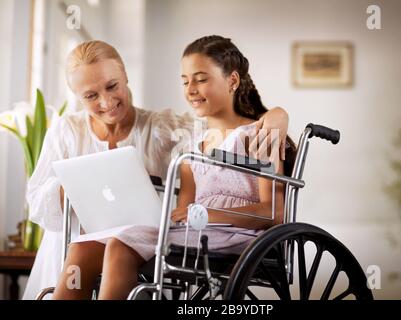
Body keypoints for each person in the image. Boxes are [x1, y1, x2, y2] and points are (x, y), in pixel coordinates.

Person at [22, 40, 290, 300]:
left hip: (222, 232)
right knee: (82, 248)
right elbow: (184, 208)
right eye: (91, 96)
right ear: (79, 98)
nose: (105, 101)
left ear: (125, 76)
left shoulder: (200, 134)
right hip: (105, 237)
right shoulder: (191, 146)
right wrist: (76, 186)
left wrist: (278, 114)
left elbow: (270, 210)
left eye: (112, 86)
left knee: (119, 244)